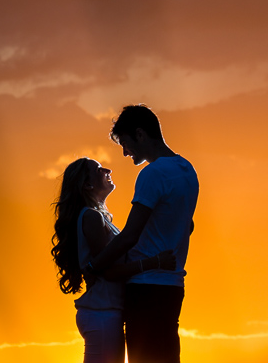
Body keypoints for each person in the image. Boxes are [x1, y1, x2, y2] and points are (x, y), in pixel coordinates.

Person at [87, 105, 199, 363]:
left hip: (145, 287)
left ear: (140, 134)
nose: (126, 152)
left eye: (126, 143)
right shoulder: (187, 170)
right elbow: (187, 225)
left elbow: (130, 236)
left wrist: (94, 266)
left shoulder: (152, 174)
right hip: (173, 286)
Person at [51, 157, 176, 363]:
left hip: (106, 314)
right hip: (101, 315)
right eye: (99, 169)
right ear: (88, 184)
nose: (107, 169)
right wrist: (156, 262)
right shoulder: (91, 217)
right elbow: (108, 271)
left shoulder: (97, 216)